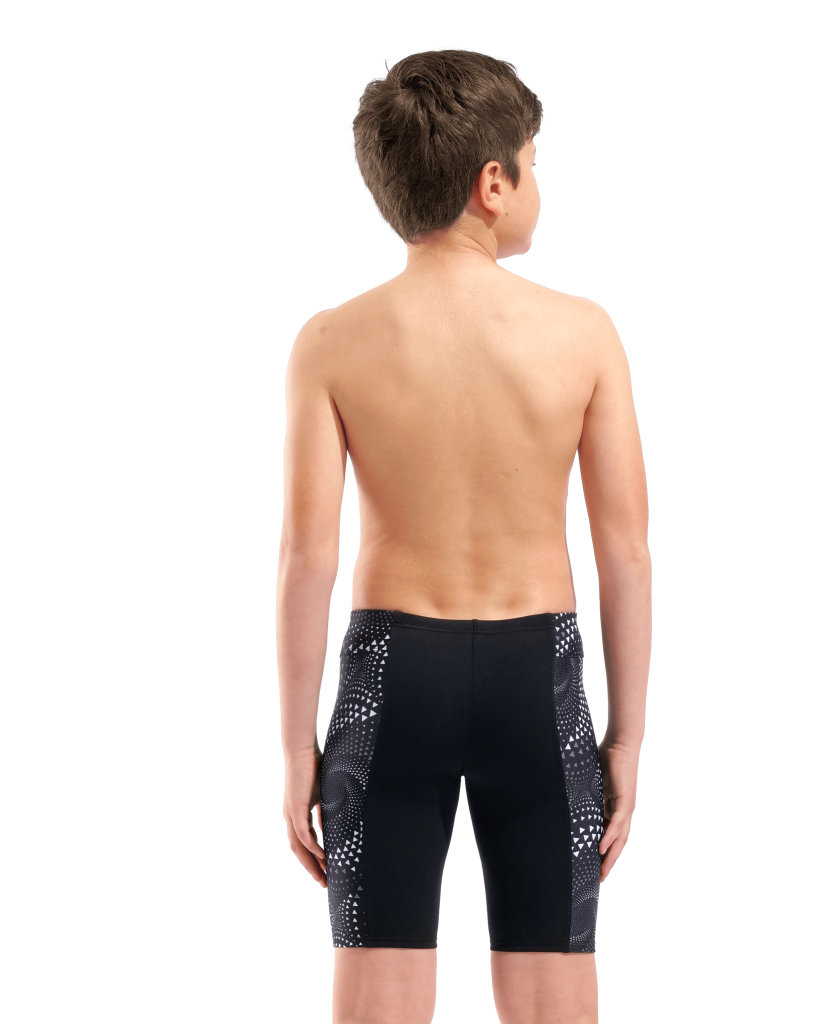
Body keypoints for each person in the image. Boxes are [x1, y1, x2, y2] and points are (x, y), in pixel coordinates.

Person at [275, 43, 651, 1024]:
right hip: (541, 679)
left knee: (376, 993)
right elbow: (623, 555)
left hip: (390, 677)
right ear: (493, 182)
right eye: (534, 162)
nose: (538, 183)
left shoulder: (330, 340)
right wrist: (626, 737)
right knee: (554, 995)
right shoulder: (584, 332)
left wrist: (295, 753)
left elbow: (307, 560)